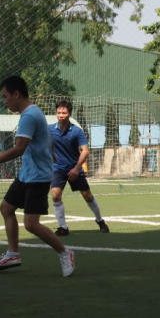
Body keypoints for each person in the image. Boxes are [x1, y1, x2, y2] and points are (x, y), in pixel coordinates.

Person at [0, 76, 75, 277]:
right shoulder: (33, 112)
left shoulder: (29, 116)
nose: (5, 101)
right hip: (27, 174)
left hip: (38, 177)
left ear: (16, 94)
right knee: (6, 208)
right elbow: (47, 138)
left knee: (31, 224)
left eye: (5, 97)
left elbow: (19, 148)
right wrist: (51, 153)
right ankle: (13, 253)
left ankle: (65, 253)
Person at [48, 99, 110, 237]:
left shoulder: (77, 131)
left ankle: (100, 221)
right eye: (58, 112)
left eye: (64, 112)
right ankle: (63, 228)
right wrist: (49, 155)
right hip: (57, 169)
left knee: (87, 196)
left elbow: (85, 151)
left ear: (69, 113)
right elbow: (42, 142)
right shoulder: (49, 129)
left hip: (74, 169)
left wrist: (76, 168)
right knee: (55, 196)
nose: (61, 115)